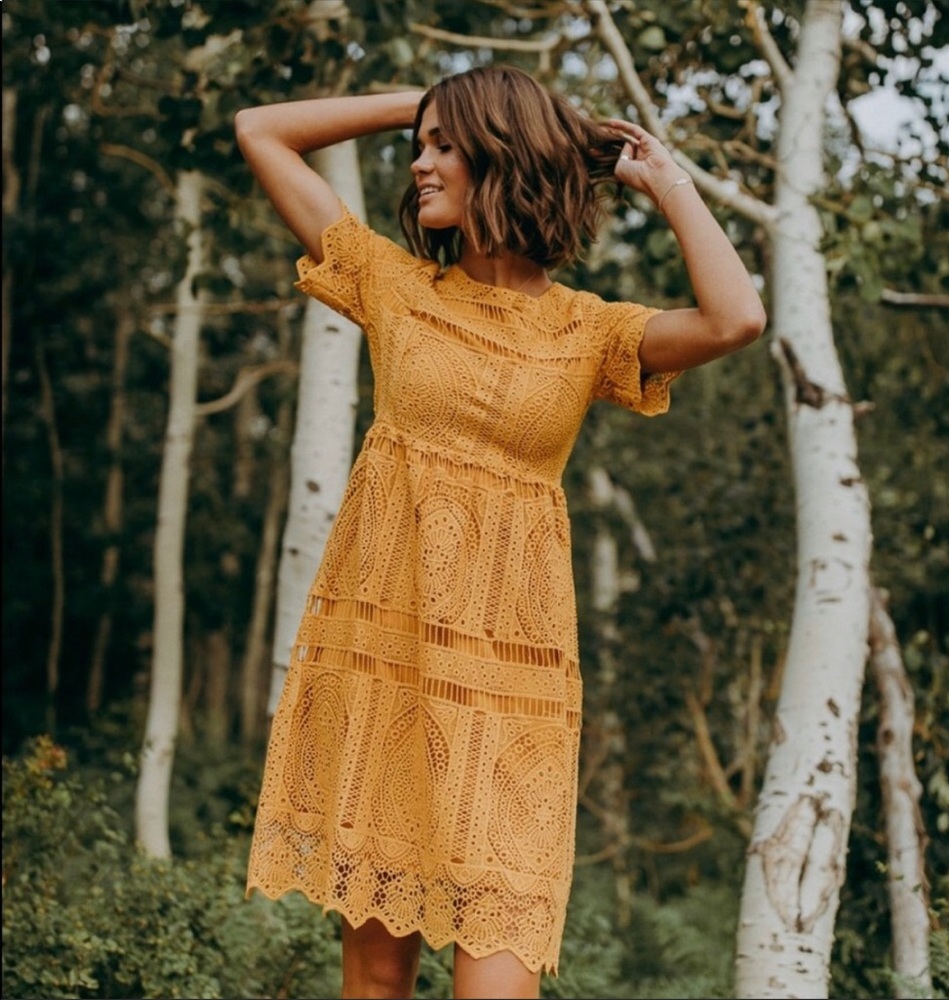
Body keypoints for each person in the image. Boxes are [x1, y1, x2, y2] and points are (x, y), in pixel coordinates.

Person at [235, 64, 765, 1000]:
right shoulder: (393, 286)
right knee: (376, 982)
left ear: (502, 155)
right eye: (420, 147)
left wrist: (668, 182)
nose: (420, 165)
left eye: (445, 147)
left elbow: (737, 317)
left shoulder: (588, 332)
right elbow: (260, 128)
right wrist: (426, 102)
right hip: (388, 671)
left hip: (512, 699)